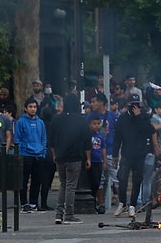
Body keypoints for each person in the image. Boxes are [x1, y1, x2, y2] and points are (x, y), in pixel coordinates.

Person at [49, 94, 91, 224]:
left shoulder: (56, 119)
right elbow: (86, 141)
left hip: (60, 156)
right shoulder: (80, 120)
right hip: (74, 156)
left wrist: (55, 155)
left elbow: (51, 140)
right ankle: (69, 214)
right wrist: (88, 158)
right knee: (71, 186)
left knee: (63, 184)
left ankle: (58, 214)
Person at [112, 94, 157, 217]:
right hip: (127, 153)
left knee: (137, 180)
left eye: (138, 104)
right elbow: (117, 138)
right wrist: (115, 155)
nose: (135, 107)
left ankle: (132, 205)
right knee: (122, 177)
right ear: (128, 105)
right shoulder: (122, 118)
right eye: (133, 104)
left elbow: (148, 131)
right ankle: (122, 203)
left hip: (140, 153)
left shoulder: (144, 117)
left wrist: (138, 117)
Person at [15, 97, 47, 213]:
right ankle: (24, 203)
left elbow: (43, 138)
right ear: (25, 108)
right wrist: (20, 152)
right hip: (25, 154)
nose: (33, 109)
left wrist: (43, 150)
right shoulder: (21, 122)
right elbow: (17, 138)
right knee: (23, 181)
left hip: (38, 155)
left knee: (37, 180)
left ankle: (33, 203)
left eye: (34, 107)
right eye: (30, 107)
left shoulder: (40, 122)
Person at [87, 115, 107, 213]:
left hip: (99, 161)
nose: (96, 126)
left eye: (98, 124)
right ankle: (92, 201)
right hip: (92, 161)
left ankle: (98, 203)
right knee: (93, 182)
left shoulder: (100, 135)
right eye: (94, 124)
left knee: (99, 182)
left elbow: (103, 148)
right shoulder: (88, 135)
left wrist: (105, 161)